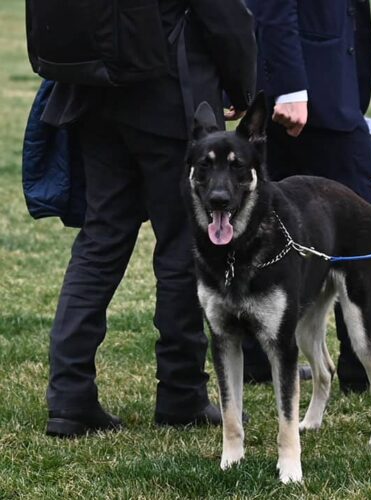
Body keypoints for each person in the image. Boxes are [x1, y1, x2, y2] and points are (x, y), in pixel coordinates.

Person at [39, 0, 256, 437]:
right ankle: (180, 393)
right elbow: (225, 17)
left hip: (94, 92)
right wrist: (242, 88)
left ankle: (69, 396)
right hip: (171, 99)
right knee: (180, 248)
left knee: (99, 242)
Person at [243, 0, 371, 393]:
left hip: (313, 75)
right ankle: (363, 356)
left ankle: (258, 346)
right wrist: (288, 86)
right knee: (367, 210)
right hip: (306, 87)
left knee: (275, 210)